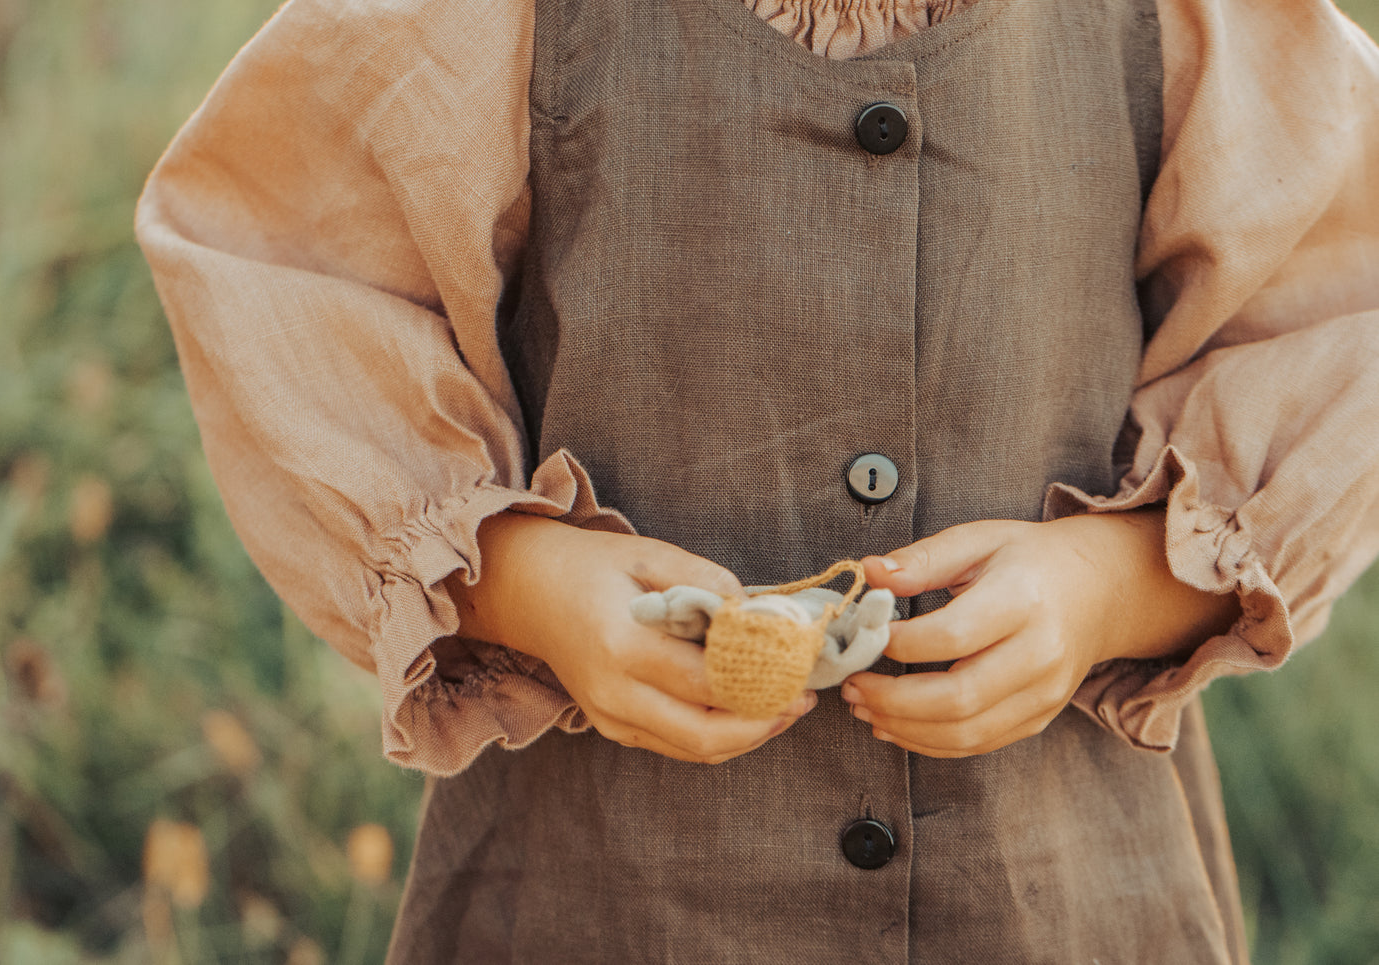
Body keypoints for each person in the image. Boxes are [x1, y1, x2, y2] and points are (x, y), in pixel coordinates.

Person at [136, 0, 1379, 960]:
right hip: (603, 894)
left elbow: (1334, 316)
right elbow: (277, 260)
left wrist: (1110, 590)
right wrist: (522, 584)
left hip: (1054, 891)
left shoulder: (1179, 21)